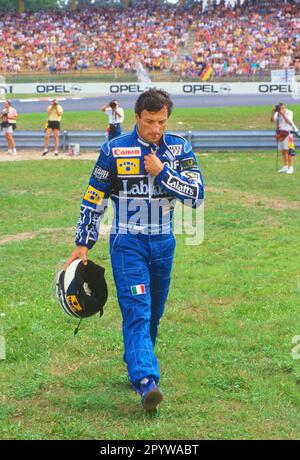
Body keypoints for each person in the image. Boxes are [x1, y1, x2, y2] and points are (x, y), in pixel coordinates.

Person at [65, 89, 204, 412]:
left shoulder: (180, 148)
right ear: (137, 117)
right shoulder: (114, 150)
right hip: (127, 242)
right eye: (150, 121)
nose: (156, 128)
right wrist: (83, 242)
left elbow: (197, 195)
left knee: (154, 312)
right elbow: (93, 198)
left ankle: (137, 365)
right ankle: (146, 381)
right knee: (137, 309)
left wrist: (162, 172)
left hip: (164, 242)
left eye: (162, 122)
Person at [271, 102, 298, 174]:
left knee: (289, 150)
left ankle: (291, 167)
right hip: (281, 133)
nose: (282, 109)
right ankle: (285, 166)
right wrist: (273, 113)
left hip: (289, 132)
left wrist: (282, 114)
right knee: (283, 150)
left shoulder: (289, 112)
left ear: (285, 107)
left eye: (283, 108)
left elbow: (288, 121)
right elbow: (272, 121)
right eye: (280, 108)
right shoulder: (277, 113)